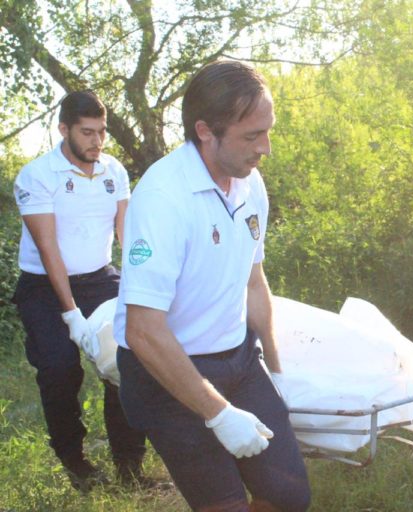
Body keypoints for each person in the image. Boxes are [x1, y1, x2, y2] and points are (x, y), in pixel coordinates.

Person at [112, 60, 311, 512]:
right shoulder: (163, 198)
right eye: (251, 136)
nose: (266, 148)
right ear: (205, 130)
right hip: (166, 373)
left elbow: (253, 283)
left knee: (288, 496)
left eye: (268, 131)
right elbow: (143, 330)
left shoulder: (249, 184)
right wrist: (218, 414)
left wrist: (276, 374)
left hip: (238, 360)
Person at [11, 90, 148, 492]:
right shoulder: (36, 176)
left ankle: (130, 466)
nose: (97, 141)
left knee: (127, 359)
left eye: (101, 132)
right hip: (44, 285)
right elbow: (49, 248)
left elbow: (127, 234)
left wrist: (143, 282)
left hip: (101, 277)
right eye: (87, 132)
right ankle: (75, 462)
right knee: (59, 368)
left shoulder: (114, 171)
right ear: (64, 129)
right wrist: (71, 314)